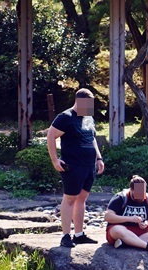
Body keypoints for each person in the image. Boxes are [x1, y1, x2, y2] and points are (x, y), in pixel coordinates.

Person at [47, 88, 104, 248]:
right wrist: (55, 160)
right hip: (72, 165)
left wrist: (99, 158)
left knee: (82, 198)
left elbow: (91, 138)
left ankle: (79, 234)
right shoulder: (65, 117)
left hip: (89, 165)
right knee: (70, 198)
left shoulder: (88, 117)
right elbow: (51, 135)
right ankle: (66, 235)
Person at [104, 175, 148, 254]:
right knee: (118, 230)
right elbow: (107, 217)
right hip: (121, 230)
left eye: (143, 193)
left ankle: (127, 243)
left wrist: (147, 223)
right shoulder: (121, 198)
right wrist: (129, 218)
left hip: (140, 231)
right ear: (131, 190)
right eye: (138, 194)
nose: (141, 197)